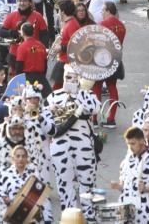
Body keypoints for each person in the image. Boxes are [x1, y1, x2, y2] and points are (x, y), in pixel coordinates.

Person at [47, 65, 99, 211]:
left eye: (76, 77)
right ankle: (69, 217)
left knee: (87, 184)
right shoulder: (53, 96)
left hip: (84, 146)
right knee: (64, 185)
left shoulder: (88, 95)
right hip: (60, 147)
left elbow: (95, 108)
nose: (72, 80)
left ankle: (89, 216)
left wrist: (83, 91)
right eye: (69, 77)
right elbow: (47, 123)